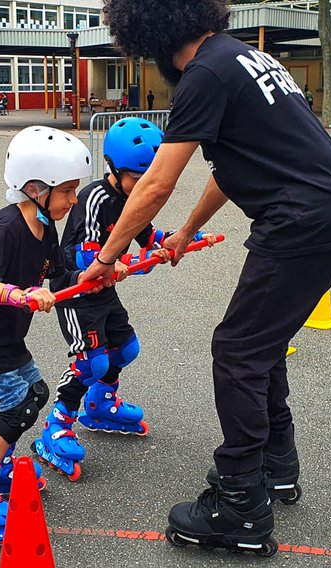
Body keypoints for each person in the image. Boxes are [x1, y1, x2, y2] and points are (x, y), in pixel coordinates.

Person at [86, 0, 331, 555]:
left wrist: (105, 258)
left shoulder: (204, 74)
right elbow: (230, 167)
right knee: (260, 345)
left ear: (149, 33)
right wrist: (184, 232)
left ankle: (240, 504)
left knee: (237, 351)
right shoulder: (244, 58)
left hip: (301, 220)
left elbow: (155, 183)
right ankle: (275, 464)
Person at [0, 126, 112, 545]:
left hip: (3, 334)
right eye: (67, 191)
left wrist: (93, 276)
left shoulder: (45, 227)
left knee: (36, 393)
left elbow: (60, 277)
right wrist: (17, 295)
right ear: (34, 188)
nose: (74, 200)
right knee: (18, 407)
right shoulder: (7, 228)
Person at [32, 117, 216, 482]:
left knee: (126, 349)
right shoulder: (94, 198)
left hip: (105, 290)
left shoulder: (137, 197)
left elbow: (150, 236)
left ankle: (100, 404)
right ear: (114, 169)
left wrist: (183, 238)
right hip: (76, 291)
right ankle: (57, 425)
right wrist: (116, 262)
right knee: (92, 363)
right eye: (136, 176)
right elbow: (83, 253)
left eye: (149, 178)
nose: (143, 184)